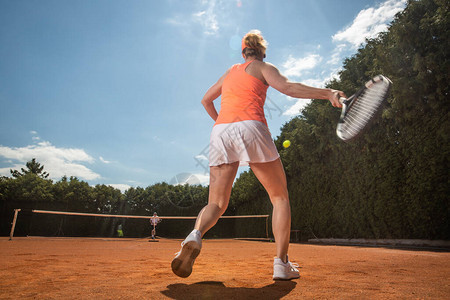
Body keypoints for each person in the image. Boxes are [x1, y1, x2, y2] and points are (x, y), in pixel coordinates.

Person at [171, 30, 345, 280]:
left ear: (243, 52)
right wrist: (328, 93)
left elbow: (206, 100)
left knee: (216, 203)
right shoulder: (263, 67)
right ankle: (281, 264)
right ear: (262, 52)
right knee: (279, 198)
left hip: (220, 131)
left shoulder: (231, 71)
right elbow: (288, 88)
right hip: (251, 126)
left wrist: (223, 123)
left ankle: (194, 235)